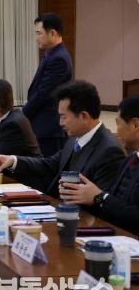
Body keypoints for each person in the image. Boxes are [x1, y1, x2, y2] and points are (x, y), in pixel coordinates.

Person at [0, 80, 125, 197]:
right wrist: (12, 160)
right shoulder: (74, 140)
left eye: (64, 117)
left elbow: (104, 203)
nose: (60, 123)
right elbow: (49, 165)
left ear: (84, 116)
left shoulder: (109, 150)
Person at [59, 95, 139, 235]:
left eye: (118, 123)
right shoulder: (130, 159)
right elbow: (114, 204)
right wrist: (82, 194)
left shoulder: (113, 150)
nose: (117, 131)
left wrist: (99, 197)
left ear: (135, 125)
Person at [23, 13, 73, 157]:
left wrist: (23, 114)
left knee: (47, 165)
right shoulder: (52, 54)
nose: (36, 38)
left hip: (49, 127)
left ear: (52, 33)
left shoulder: (59, 58)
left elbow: (44, 94)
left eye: (39, 33)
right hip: (43, 125)